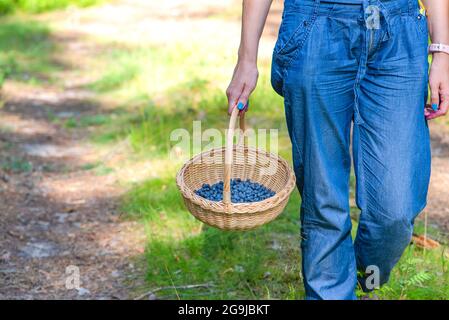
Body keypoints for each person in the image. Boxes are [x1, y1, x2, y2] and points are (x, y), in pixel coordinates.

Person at [226, 0, 449, 300]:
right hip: (316, 27)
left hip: (398, 36)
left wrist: (442, 52)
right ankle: (333, 290)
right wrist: (246, 58)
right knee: (323, 200)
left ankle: (358, 279)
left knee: (394, 213)